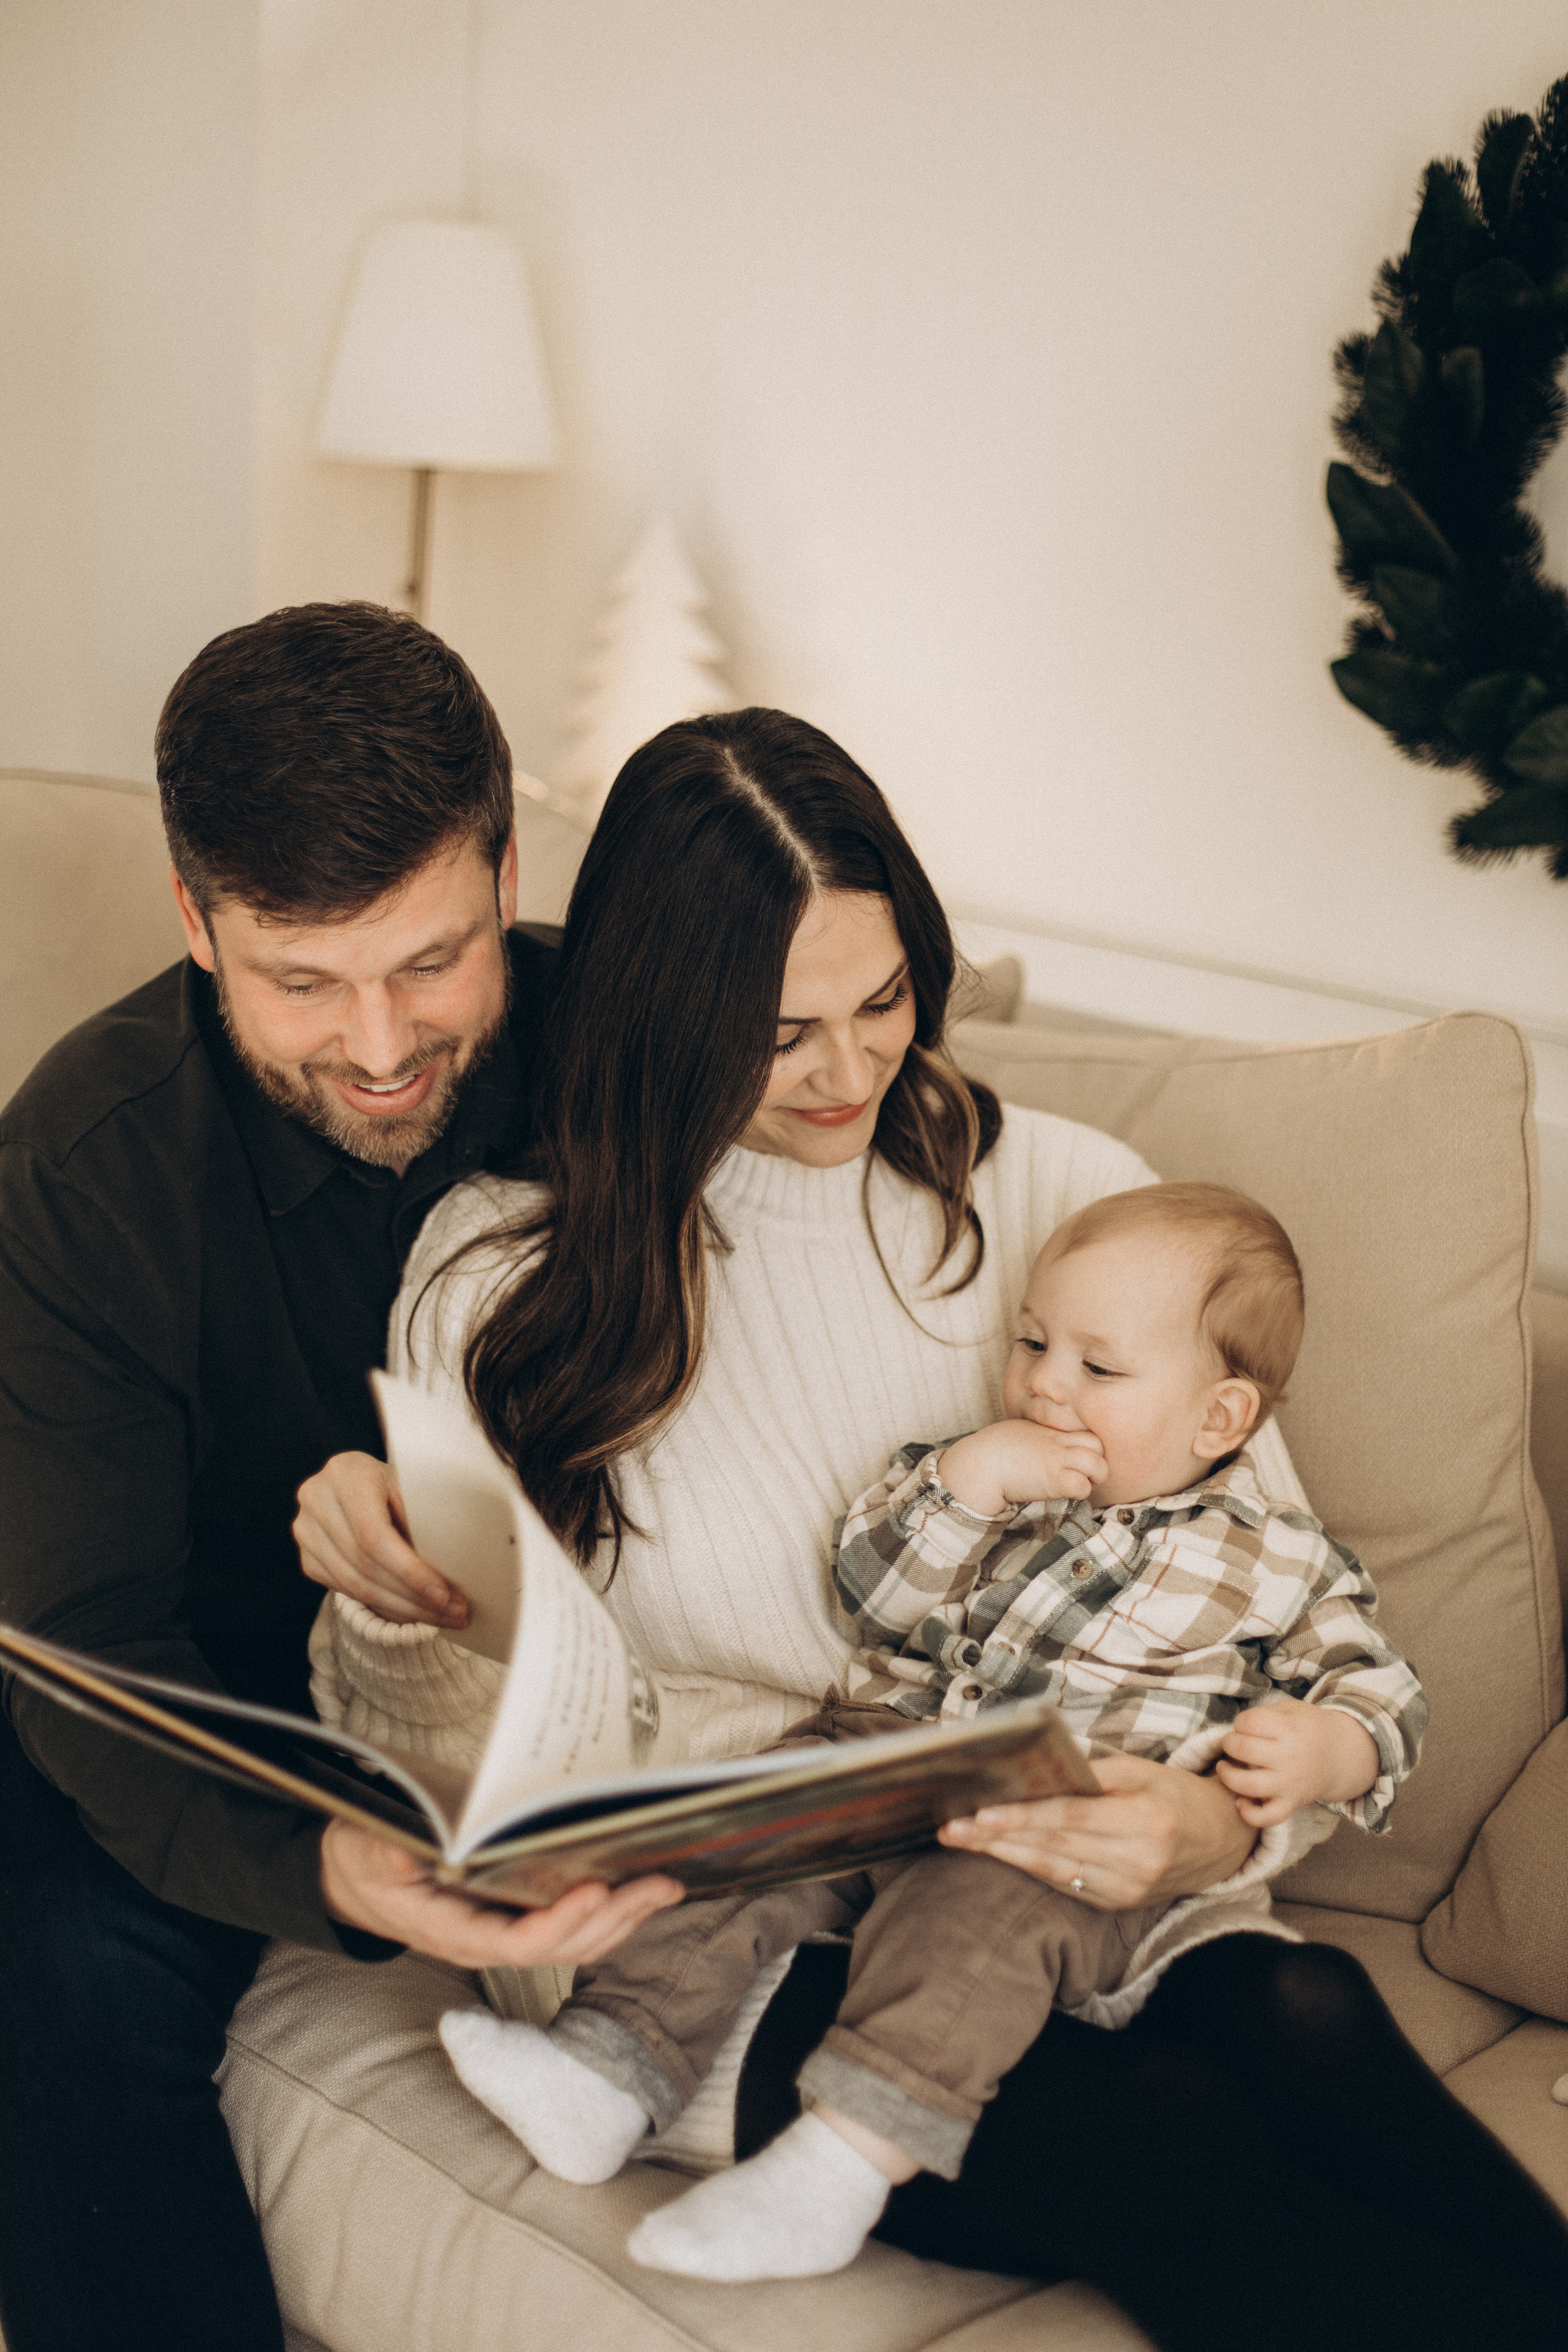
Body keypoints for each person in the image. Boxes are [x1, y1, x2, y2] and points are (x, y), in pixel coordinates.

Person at [298, 706, 1568, 2349]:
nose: (852, 1073)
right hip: (723, 1919)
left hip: (1058, 1871)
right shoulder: (503, 1280)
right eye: (780, 1032)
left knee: (1310, 2006)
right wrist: (389, 1605)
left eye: (884, 1000)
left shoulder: (1068, 1195)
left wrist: (1213, 1824)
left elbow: (1256, 1596)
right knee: (1159, 2135)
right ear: (661, 1019)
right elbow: (476, 1738)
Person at [0, 603, 680, 2352]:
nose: (381, 1047)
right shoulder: (85, 1168)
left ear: (508, 864)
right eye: (303, 982)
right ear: (192, 919)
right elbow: (83, 1637)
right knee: (56, 1973)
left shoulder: (622, 1058)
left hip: (590, 1693)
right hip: (203, 1687)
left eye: (433, 961)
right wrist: (326, 1863)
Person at [431, 1179, 1428, 2283]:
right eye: (1033, 1342)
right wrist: (966, 1485)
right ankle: (606, 2069)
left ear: (1221, 1417)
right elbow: (874, 1597)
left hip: (1061, 1821)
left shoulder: (1282, 1558)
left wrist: (1329, 1749)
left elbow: (1378, 1688)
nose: (1045, 1383)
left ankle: (840, 2163)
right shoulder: (988, 1477)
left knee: (971, 1925)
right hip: (884, 1744)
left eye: (1097, 1369)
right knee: (736, 1834)